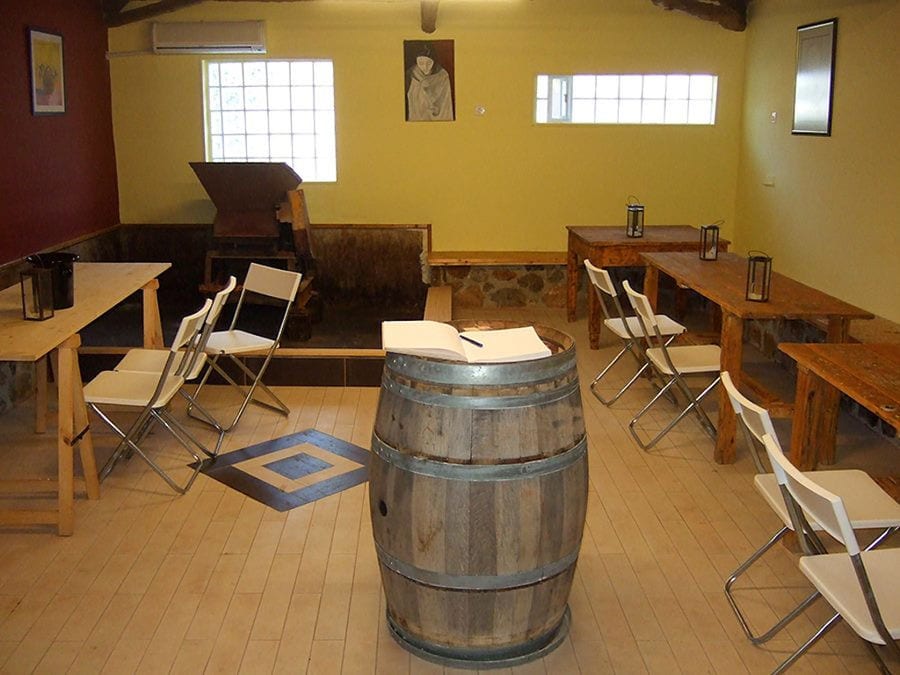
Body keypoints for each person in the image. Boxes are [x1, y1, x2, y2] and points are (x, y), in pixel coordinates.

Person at [406, 44, 454, 121]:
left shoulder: (442, 75)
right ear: (416, 61)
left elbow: (446, 104)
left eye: (429, 63)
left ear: (434, 61)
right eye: (421, 63)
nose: (425, 67)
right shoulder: (411, 74)